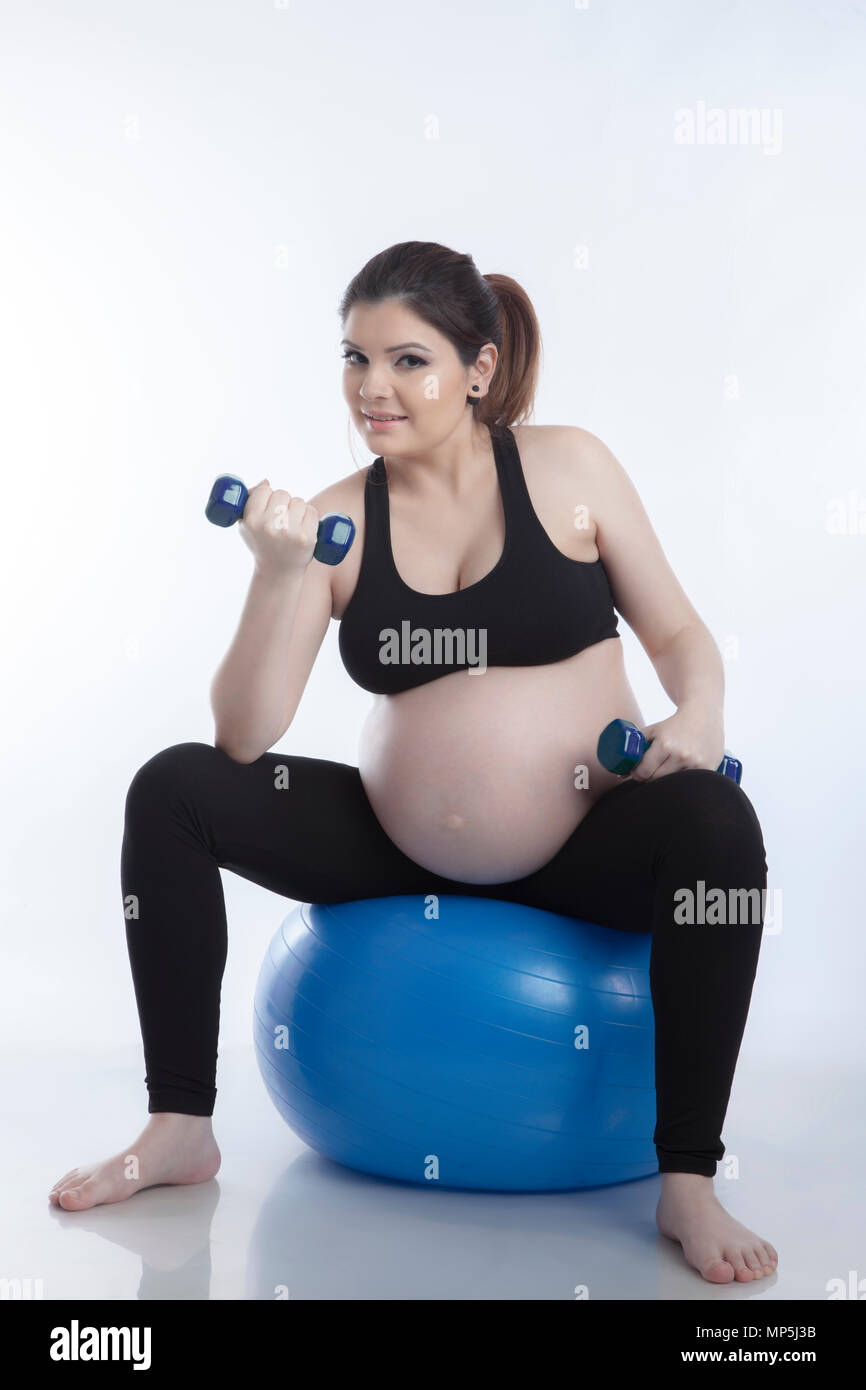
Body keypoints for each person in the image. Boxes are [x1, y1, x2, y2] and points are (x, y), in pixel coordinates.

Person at [49, 240, 777, 1286]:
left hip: (583, 845)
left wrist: (698, 713)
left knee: (715, 822)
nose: (370, 388)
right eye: (354, 359)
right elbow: (245, 735)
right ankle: (177, 1127)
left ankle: (687, 1182)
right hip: (399, 853)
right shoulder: (338, 519)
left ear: (477, 369)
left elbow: (680, 638)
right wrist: (276, 572)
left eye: (406, 361)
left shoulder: (568, 468)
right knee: (174, 788)